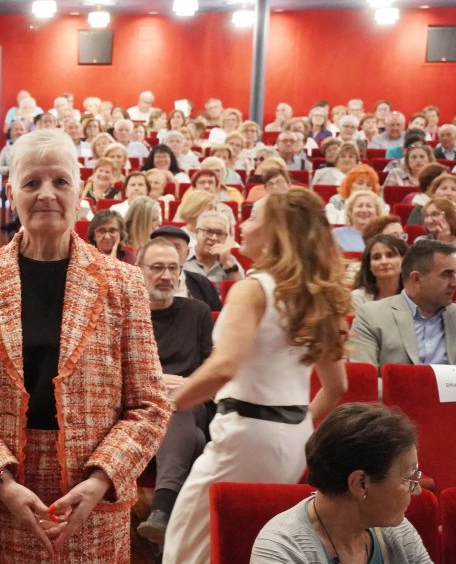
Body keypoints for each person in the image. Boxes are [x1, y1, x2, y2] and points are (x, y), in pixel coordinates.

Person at [0, 129, 169, 562]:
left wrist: (100, 479)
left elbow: (149, 405)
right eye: (32, 182)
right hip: (2, 498)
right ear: (11, 191)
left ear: (80, 191)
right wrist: (1, 482)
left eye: (60, 181)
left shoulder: (124, 283)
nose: (46, 194)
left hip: (93, 499)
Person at [163, 188, 350, 564]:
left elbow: (224, 366)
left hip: (245, 436)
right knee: (251, 547)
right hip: (295, 438)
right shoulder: (316, 293)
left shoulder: (253, 289)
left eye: (252, 217)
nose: (243, 224)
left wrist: (163, 408)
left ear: (275, 231)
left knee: (184, 549)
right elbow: (337, 387)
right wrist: (292, 427)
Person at [251, 403, 430, 563]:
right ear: (360, 483)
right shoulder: (281, 549)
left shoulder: (397, 531)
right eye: (408, 478)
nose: (417, 490)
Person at [133, 239, 214, 544]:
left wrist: (186, 387)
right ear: (139, 271)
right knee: (193, 439)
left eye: (173, 268)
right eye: (156, 268)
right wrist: (157, 381)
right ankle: (168, 531)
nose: (166, 275)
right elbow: (111, 372)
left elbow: (210, 369)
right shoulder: (125, 313)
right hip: (137, 409)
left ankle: (162, 513)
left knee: (181, 406)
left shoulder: (197, 312)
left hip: (189, 404)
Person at [350, 239, 456, 369]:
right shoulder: (371, 316)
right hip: (394, 389)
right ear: (416, 278)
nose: (454, 283)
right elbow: (365, 381)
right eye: (447, 274)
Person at [183, 209, 245, 289]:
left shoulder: (229, 260)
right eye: (208, 231)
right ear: (197, 232)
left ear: (225, 237)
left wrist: (229, 265)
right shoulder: (183, 258)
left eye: (219, 233)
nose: (214, 238)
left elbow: (241, 291)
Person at [351, 234, 407, 309]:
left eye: (390, 255)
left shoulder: (416, 296)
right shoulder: (358, 298)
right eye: (377, 257)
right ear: (369, 266)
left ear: (404, 260)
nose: (384, 262)